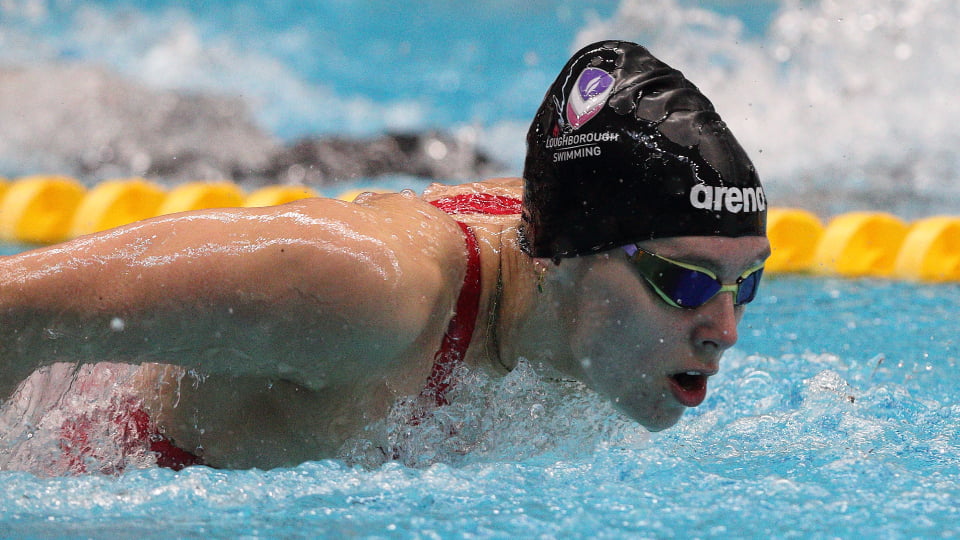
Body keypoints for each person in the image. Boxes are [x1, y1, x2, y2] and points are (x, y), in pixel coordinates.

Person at [0, 40, 769, 472]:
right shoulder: (363, 292)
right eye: (685, 281)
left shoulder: (586, 301)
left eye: (746, 281)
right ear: (559, 255)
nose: (724, 328)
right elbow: (13, 306)